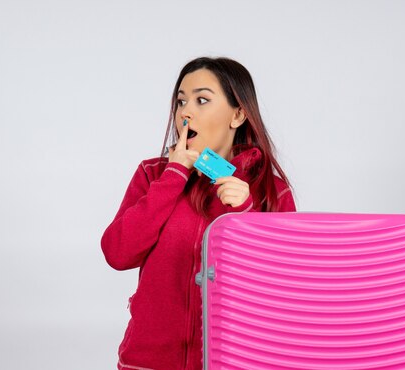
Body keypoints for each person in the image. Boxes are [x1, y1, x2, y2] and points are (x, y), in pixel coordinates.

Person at [101, 56, 296, 370]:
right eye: (181, 101)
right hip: (149, 361)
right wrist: (174, 175)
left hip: (236, 361)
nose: (185, 112)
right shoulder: (153, 175)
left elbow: (284, 287)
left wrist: (246, 215)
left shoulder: (268, 190)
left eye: (202, 100)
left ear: (238, 115)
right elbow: (118, 253)